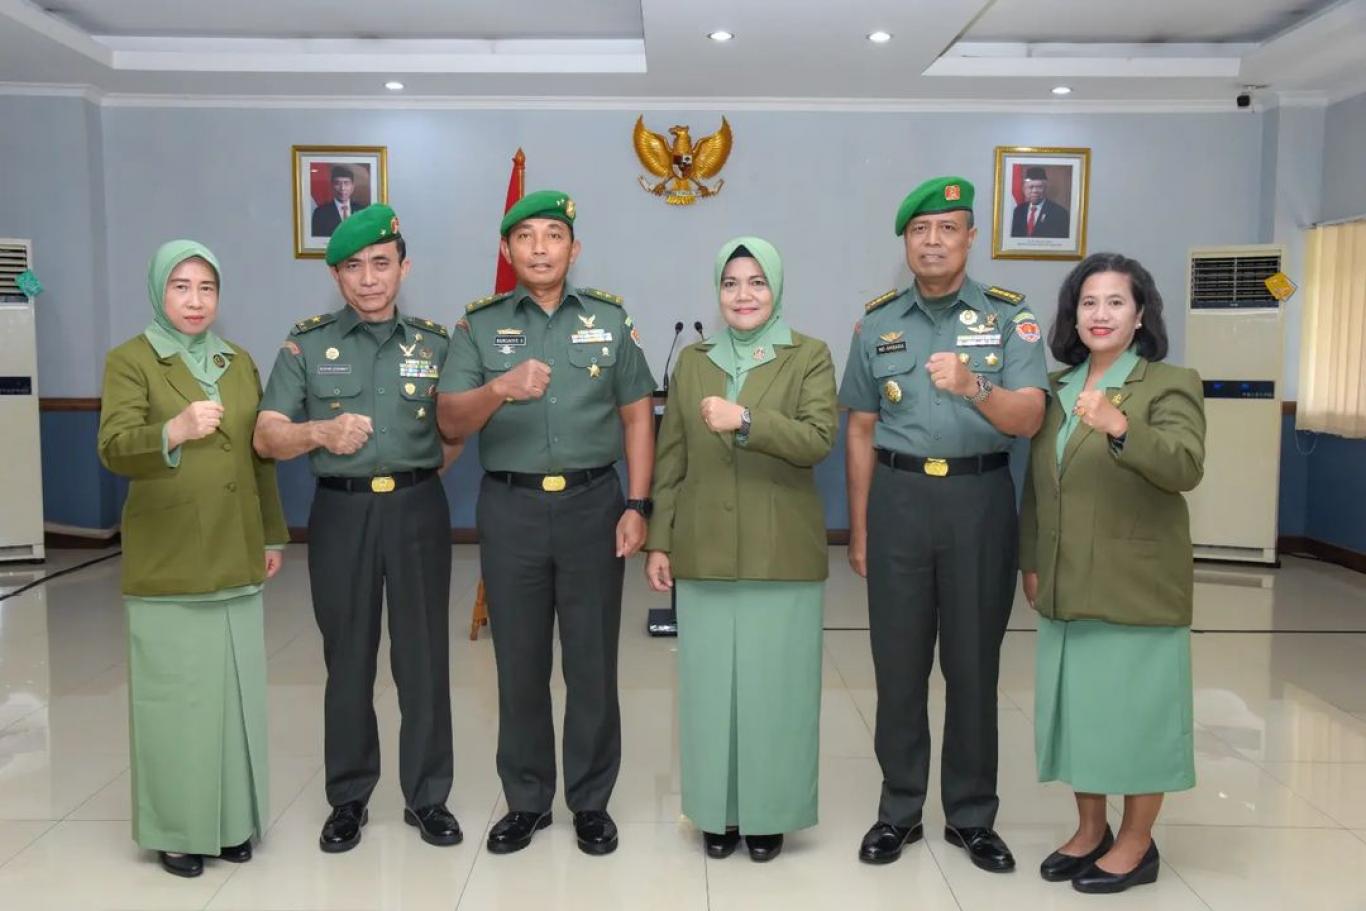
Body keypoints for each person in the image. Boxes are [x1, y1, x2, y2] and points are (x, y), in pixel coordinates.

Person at [437, 189, 656, 857]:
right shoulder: (477, 327)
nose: (539, 247)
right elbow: (449, 419)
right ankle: (528, 800)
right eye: (525, 236)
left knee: (592, 663)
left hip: (595, 506)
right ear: (507, 250)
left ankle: (590, 802)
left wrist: (637, 504)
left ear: (574, 248)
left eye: (553, 235)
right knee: (519, 662)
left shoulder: (610, 321)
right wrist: (498, 388)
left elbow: (638, 414)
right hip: (512, 509)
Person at [840, 176, 1049, 872]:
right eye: (920, 230)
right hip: (898, 501)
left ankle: (971, 815)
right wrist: (861, 529)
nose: (933, 241)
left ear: (970, 237)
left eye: (947, 228)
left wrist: (974, 385)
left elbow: (1031, 416)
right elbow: (860, 428)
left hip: (978, 501)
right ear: (906, 241)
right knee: (898, 668)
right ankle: (899, 810)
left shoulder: (1010, 318)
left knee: (973, 667)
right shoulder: (877, 323)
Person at [254, 204, 463, 853]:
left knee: (423, 657)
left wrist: (415, 470)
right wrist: (321, 432)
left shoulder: (436, 344)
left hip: (417, 510)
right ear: (336, 276)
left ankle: (428, 797)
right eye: (353, 267)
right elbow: (266, 435)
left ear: (404, 266)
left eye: (380, 263)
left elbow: (454, 430)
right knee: (347, 658)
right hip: (341, 514)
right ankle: (348, 797)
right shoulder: (306, 344)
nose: (369, 278)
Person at [97, 240, 288, 878]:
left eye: (207, 287)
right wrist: (172, 432)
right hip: (171, 560)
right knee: (176, 701)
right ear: (159, 292)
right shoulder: (131, 360)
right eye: (180, 286)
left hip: (236, 551)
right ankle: (178, 831)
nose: (195, 300)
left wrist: (271, 534)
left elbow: (260, 455)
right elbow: (114, 447)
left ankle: (230, 824)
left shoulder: (238, 361)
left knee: (233, 697)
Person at [645, 236, 837, 863]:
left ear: (776, 289)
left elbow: (817, 439)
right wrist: (659, 540)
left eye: (757, 282)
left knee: (774, 692)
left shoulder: (809, 355)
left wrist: (746, 420)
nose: (744, 294)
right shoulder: (694, 361)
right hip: (703, 551)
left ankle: (769, 814)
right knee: (709, 693)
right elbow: (671, 457)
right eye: (731, 283)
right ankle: (716, 813)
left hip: (781, 555)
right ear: (718, 292)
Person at [1020, 253, 1205, 894]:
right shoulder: (1055, 388)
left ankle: (1136, 842)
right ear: (1073, 315)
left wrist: (1121, 426)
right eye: (1088, 302)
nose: (1100, 314)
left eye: (1116, 302)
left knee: (1138, 719)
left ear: (1141, 314)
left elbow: (1184, 466)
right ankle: (1090, 829)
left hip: (1136, 586)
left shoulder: (1168, 384)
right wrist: (1030, 560)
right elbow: (1036, 487)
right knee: (1082, 714)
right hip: (1066, 579)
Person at [1010, 166, 1070, 239]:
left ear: (1045, 189)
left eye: (1039, 187)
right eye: (1031, 187)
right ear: (1024, 189)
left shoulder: (1060, 213)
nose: (1035, 191)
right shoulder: (1018, 210)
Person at [311, 165, 368, 237]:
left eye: (346, 183)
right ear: (332, 186)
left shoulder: (362, 211)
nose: (342, 188)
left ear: (352, 187)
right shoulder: (320, 213)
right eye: (337, 183)